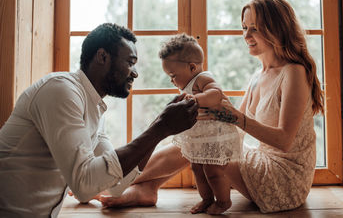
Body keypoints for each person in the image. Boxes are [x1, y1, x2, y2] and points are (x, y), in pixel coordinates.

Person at [99, 0, 324, 213]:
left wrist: (231, 117)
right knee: (199, 137)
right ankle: (145, 188)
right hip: (263, 162)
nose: (246, 35)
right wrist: (210, 119)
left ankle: (108, 181)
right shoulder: (258, 75)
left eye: (254, 28)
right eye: (244, 27)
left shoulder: (294, 72)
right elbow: (237, 129)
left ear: (277, 29)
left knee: (204, 142)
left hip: (285, 179)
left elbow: (283, 140)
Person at [0, 23, 198, 218]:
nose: (135, 73)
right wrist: (160, 128)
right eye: (130, 62)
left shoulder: (94, 108)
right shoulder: (60, 90)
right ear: (102, 56)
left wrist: (160, 126)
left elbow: (117, 186)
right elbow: (84, 186)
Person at [159, 34, 241, 214]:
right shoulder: (188, 85)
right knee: (196, 167)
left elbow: (216, 94)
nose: (172, 80)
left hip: (216, 137)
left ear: (192, 67)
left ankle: (223, 201)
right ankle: (206, 199)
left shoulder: (203, 79)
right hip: (201, 138)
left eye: (173, 75)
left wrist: (195, 99)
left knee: (213, 170)